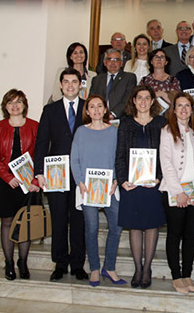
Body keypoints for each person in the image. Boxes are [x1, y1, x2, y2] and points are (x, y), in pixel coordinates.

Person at [34, 68, 86, 281]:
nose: (71, 85)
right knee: (58, 218)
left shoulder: (88, 108)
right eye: (66, 82)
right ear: (61, 85)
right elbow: (41, 142)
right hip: (56, 173)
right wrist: (39, 172)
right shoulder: (50, 110)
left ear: (80, 84)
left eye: (74, 81)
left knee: (78, 219)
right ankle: (60, 263)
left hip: (81, 174)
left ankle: (77, 264)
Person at [159, 93, 194, 294]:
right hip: (175, 191)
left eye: (187, 106)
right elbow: (166, 163)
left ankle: (187, 274)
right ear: (173, 109)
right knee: (175, 234)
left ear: (192, 109)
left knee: (190, 234)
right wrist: (178, 191)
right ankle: (176, 276)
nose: (183, 109)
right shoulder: (166, 131)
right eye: (179, 106)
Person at [70, 94, 123, 287]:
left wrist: (116, 180)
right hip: (87, 188)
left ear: (105, 109)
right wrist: (80, 182)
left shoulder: (114, 131)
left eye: (99, 106)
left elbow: (119, 157)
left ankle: (109, 267)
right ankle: (94, 267)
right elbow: (74, 159)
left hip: (109, 188)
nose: (96, 110)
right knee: (91, 229)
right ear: (87, 111)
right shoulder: (81, 132)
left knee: (116, 227)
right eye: (92, 106)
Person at [115, 85, 165, 289]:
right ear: (133, 101)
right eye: (139, 98)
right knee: (134, 226)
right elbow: (119, 155)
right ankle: (137, 268)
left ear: (153, 102)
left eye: (147, 98)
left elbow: (166, 154)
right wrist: (121, 180)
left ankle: (147, 269)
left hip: (153, 184)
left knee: (152, 225)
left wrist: (160, 177)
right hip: (131, 184)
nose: (143, 101)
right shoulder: (125, 124)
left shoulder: (162, 123)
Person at [0, 88, 39, 280]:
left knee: (26, 224)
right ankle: (9, 262)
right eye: (11, 102)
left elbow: (40, 154)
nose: (15, 106)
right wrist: (7, 177)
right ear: (6, 106)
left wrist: (35, 179)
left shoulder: (35, 126)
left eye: (18, 102)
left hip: (28, 183)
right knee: (7, 222)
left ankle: (23, 262)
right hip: (6, 182)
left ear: (24, 105)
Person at [90, 49, 137, 122]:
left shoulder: (129, 77)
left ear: (121, 63)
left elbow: (128, 99)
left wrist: (112, 114)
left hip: (121, 119)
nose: (113, 62)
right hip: (99, 119)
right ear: (105, 62)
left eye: (116, 59)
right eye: (109, 59)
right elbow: (91, 99)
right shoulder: (97, 79)